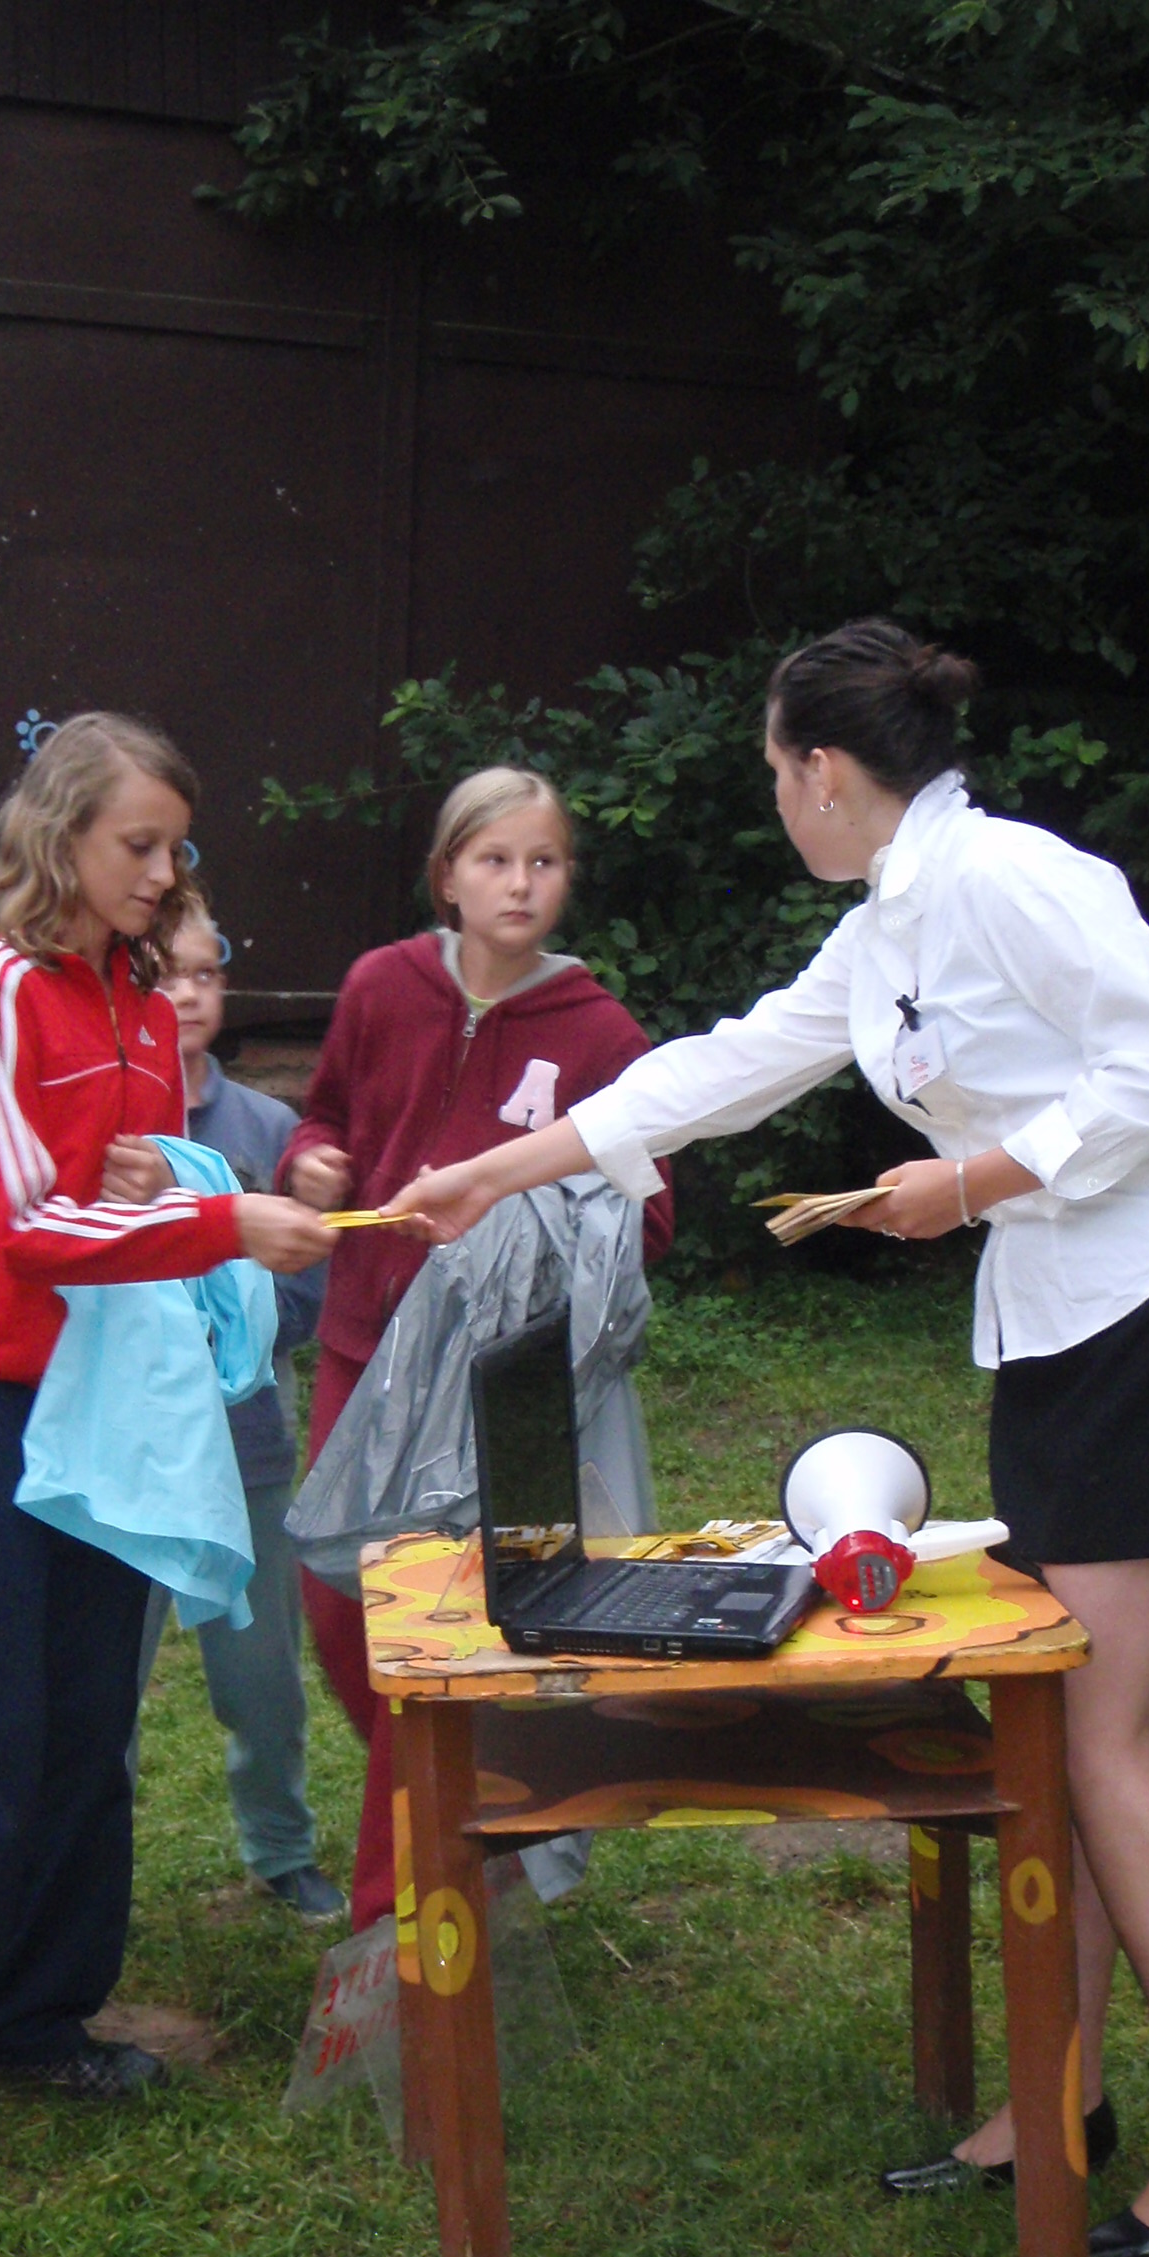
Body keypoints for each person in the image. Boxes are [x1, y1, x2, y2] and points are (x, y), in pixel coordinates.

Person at [388, 623, 1149, 2257]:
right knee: (1062, 1732)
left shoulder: (1013, 877)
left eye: (773, 769)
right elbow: (728, 1067)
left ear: (823, 768)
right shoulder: (887, 925)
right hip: (1066, 1323)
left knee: (1099, 1741)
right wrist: (497, 1172)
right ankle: (1061, 2096)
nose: (774, 797)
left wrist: (967, 1183)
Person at [0, 714, 332, 2183]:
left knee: (86, 1737)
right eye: (139, 843)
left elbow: (120, 1194)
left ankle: (40, 2017)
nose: (163, 873)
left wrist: (173, 1184)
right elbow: (26, 1225)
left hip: (114, 1404)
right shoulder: (0, 987)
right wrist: (224, 1218)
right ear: (58, 833)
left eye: (176, 846)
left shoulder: (137, 998)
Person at [278, 767, 673, 1931]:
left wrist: (520, 1221)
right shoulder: (380, 987)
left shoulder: (602, 1034)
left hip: (495, 1387)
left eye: (543, 862)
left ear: (567, 880)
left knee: (428, 1641)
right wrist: (311, 1162)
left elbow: (647, 1215)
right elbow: (327, 1112)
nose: (520, 884)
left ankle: (399, 1923)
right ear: (446, 875)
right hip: (363, 1350)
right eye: (495, 860)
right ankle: (473, 1802)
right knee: (339, 1610)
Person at [127, 897, 346, 1921]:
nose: (187, 994)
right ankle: (88, 1863)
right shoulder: (109, 1123)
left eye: (205, 974)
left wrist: (242, 1316)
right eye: (166, 974)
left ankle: (281, 1847)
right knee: (103, 1679)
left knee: (261, 1676)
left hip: (246, 1440)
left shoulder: (267, 1130)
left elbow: (306, 1291)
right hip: (130, 1453)